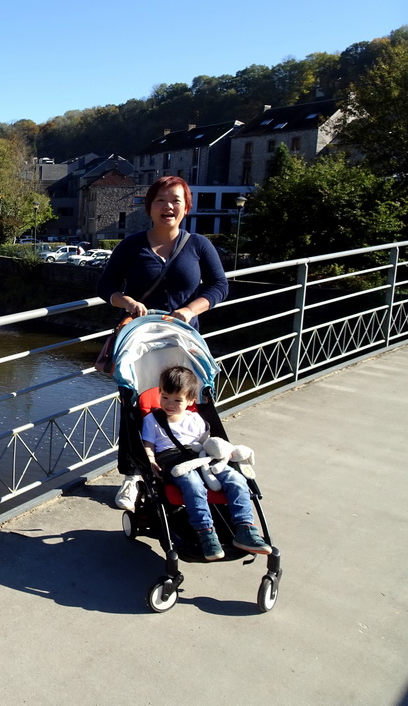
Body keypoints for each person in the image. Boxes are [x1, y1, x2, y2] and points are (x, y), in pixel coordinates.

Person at [96, 175, 229, 511]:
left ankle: (193, 462)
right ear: (149, 207)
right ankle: (133, 475)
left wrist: (189, 310)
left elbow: (218, 286)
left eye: (175, 201)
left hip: (183, 342)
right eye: (160, 200)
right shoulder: (132, 245)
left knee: (185, 404)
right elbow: (105, 285)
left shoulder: (199, 244)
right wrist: (125, 302)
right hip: (140, 342)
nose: (168, 206)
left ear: (186, 208)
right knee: (135, 406)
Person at [141, 366, 270, 560]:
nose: (169, 404)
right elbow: (148, 444)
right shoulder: (153, 419)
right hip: (172, 460)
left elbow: (207, 444)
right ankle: (206, 532)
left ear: (190, 401)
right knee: (193, 483)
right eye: (165, 397)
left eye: (177, 400)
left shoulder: (196, 419)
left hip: (201, 457)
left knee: (235, 478)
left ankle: (245, 528)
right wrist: (150, 460)